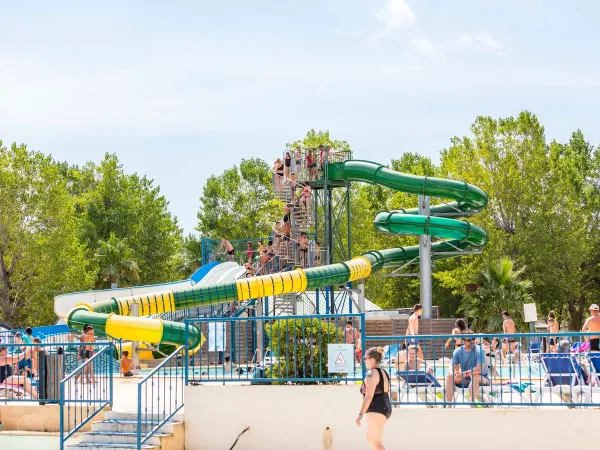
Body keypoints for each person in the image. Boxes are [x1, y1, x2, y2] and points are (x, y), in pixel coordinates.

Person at [356, 347, 391, 450]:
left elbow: (369, 396)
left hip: (376, 408)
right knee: (370, 438)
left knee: (376, 442)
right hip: (384, 406)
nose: (364, 360)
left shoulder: (371, 374)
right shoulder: (383, 372)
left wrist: (360, 414)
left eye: (364, 358)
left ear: (371, 359)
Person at [444, 330, 489, 406]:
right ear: (463, 341)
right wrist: (452, 372)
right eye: (469, 340)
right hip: (466, 379)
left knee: (475, 376)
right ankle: (449, 406)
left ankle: (471, 404)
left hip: (482, 379)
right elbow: (452, 365)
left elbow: (479, 369)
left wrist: (464, 374)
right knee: (449, 377)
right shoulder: (458, 351)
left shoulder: (480, 351)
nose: (472, 342)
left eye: (473, 339)